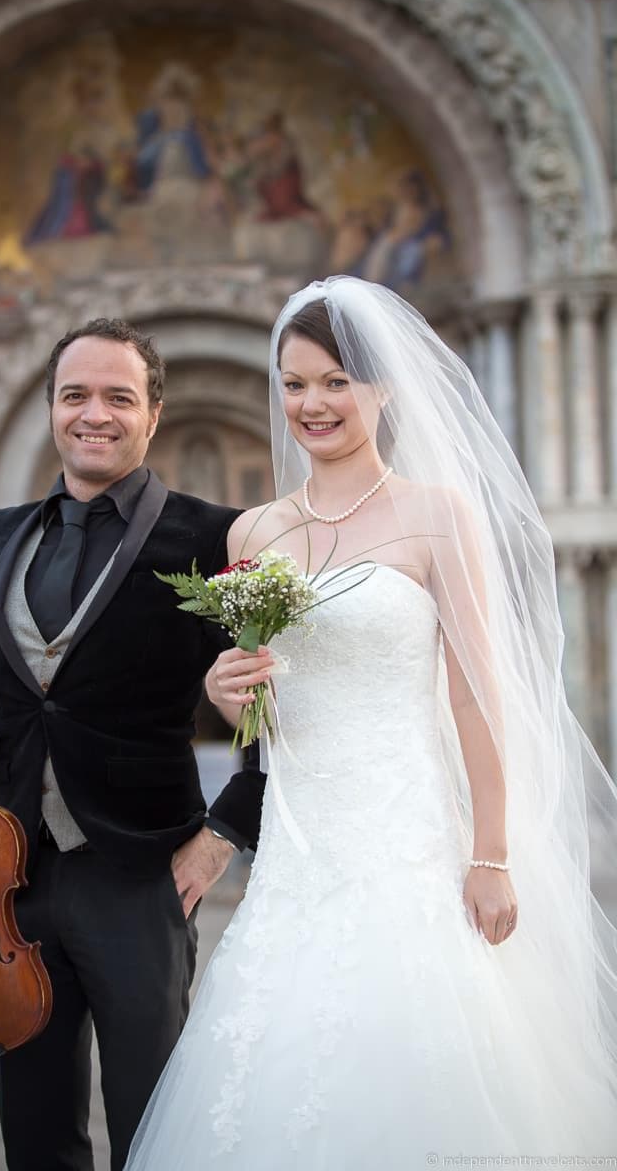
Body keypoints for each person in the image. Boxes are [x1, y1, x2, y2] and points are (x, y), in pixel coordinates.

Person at [123, 277, 617, 1169]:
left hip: (411, 843)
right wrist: (230, 687)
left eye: (336, 381)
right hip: (301, 853)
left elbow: (475, 693)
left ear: (384, 389)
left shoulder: (436, 516)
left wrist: (493, 853)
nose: (312, 403)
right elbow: (262, 707)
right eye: (295, 383)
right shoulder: (255, 537)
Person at [0, 317, 265, 1171]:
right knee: (34, 1135)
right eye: (75, 395)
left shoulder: (212, 536)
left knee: (154, 1129)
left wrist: (222, 838)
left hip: (143, 877)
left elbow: (284, 710)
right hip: (11, 885)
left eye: (119, 396)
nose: (94, 414)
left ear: (153, 413)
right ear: (50, 409)